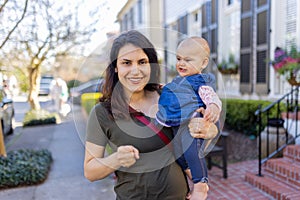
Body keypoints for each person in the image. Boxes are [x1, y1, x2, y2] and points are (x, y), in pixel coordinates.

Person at [83, 30, 218, 200]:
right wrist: (116, 159)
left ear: (151, 65)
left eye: (142, 62)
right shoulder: (103, 113)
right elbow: (90, 171)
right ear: (115, 67)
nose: (136, 70)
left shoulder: (170, 96)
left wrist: (209, 131)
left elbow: (193, 143)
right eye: (126, 63)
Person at [156, 36, 222, 200]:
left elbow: (212, 97)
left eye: (188, 60)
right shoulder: (178, 81)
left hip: (193, 122)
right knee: (178, 153)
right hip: (178, 124)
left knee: (193, 152)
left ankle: (201, 186)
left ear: (203, 63)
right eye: (178, 59)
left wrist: (213, 107)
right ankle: (190, 172)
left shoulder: (200, 83)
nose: (181, 63)